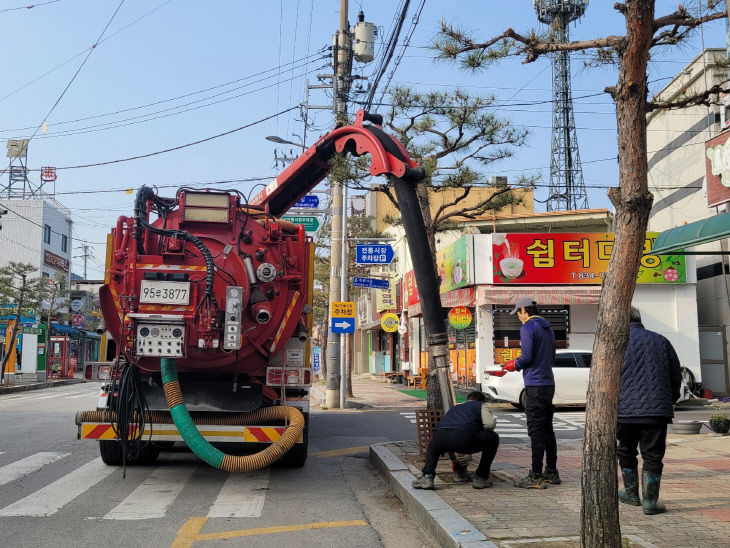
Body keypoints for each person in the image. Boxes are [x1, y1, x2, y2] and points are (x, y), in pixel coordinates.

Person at [617, 306, 681, 515]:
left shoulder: (617, 343)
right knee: (653, 455)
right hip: (657, 410)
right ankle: (650, 503)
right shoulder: (661, 341)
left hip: (625, 411)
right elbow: (675, 375)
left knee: (626, 451)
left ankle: (632, 494)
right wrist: (671, 399)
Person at [502, 296, 558, 489]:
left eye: (518, 313)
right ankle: (551, 471)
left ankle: (535, 475)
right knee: (547, 429)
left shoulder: (527, 327)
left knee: (535, 431)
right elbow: (551, 356)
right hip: (548, 383)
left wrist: (514, 365)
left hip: (534, 384)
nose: (518, 317)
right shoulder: (547, 327)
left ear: (524, 310)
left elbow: (526, 358)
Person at [412, 391, 499, 490]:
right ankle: (481, 478)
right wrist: (478, 430)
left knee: (433, 446)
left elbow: (451, 433)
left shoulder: (455, 408)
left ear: (467, 400)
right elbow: (489, 425)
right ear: (482, 400)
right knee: (493, 438)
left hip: (440, 436)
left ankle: (427, 477)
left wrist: (454, 459)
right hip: (464, 438)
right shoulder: (481, 405)